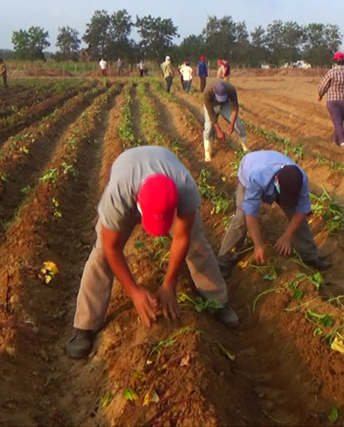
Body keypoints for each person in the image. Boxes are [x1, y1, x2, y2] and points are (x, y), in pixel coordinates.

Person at [66, 146, 239, 360]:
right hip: (128, 171)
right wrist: (134, 291)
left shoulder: (185, 188)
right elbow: (113, 248)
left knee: (197, 244)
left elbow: (182, 237)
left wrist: (169, 284)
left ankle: (218, 301)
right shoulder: (118, 195)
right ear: (137, 204)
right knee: (101, 252)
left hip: (166, 177)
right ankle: (85, 325)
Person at [216, 150, 332, 277]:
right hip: (249, 170)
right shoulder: (257, 177)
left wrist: (287, 236)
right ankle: (223, 262)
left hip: (273, 172)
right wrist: (258, 244)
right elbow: (250, 213)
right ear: (276, 181)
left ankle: (310, 256)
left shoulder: (300, 178)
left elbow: (301, 211)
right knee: (242, 216)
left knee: (296, 215)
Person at [202, 80, 250, 162]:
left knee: (238, 125)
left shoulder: (230, 89)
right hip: (212, 106)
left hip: (225, 105)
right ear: (214, 90)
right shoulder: (207, 92)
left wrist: (232, 125)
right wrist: (218, 131)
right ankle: (208, 153)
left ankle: (246, 149)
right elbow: (211, 114)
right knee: (209, 127)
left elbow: (235, 108)